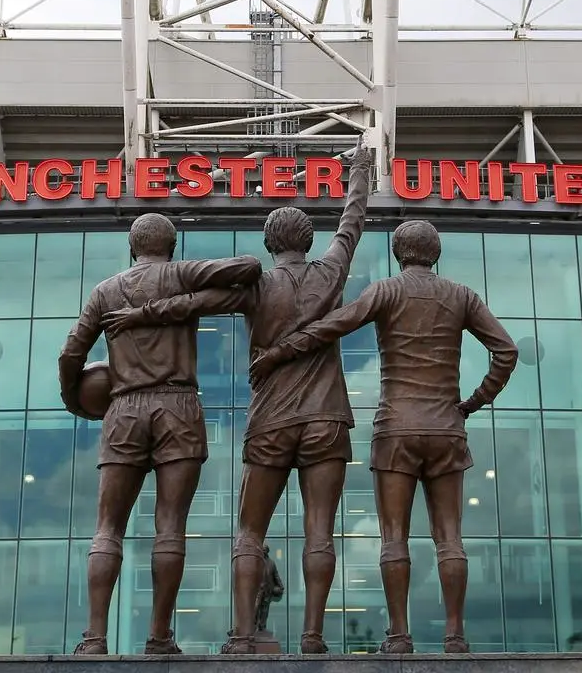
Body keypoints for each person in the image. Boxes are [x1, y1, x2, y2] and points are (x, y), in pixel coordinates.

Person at [102, 146, 374, 654]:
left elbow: (194, 304)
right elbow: (352, 220)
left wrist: (140, 314)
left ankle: (243, 637)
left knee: (250, 532)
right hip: (327, 419)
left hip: (271, 420)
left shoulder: (257, 286)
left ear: (269, 244)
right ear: (308, 240)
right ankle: (313, 638)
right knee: (320, 531)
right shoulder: (331, 270)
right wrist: (359, 169)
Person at [249, 220, 518, 654]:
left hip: (395, 429)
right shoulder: (461, 295)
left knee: (394, 537)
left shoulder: (385, 291)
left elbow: (332, 326)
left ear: (397, 253)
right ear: (436, 253)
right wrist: (474, 401)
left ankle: (398, 635)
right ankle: (455, 636)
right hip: (446, 426)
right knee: (449, 537)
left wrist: (280, 351)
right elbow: (506, 351)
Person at [57, 213, 262, 656]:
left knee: (107, 527)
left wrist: (75, 401)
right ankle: (160, 638)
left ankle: (94, 639)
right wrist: (194, 297)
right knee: (170, 527)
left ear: (133, 248)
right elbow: (249, 267)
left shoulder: (105, 291)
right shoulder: (180, 274)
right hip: (178, 406)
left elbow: (71, 352)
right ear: (171, 247)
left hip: (124, 408)